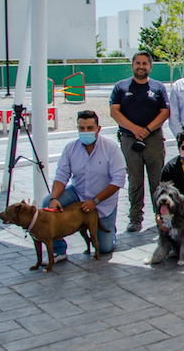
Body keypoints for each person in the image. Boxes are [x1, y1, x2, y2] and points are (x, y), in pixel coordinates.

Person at [42, 110, 126, 261]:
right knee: (47, 202)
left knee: (105, 248)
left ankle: (109, 232)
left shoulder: (111, 148)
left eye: (89, 128)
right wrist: (54, 198)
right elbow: (61, 176)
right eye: (81, 128)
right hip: (78, 194)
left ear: (98, 129)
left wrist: (95, 201)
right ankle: (59, 250)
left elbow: (118, 181)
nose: (85, 132)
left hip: (103, 202)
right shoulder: (70, 148)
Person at [110, 50, 170, 233]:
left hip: (153, 140)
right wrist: (134, 129)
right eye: (138, 63)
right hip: (129, 140)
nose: (141, 67)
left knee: (158, 182)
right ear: (132, 65)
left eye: (145, 64)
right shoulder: (121, 87)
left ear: (150, 67)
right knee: (134, 181)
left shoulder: (158, 87)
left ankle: (161, 217)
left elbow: (165, 112)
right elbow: (114, 111)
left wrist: (147, 129)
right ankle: (135, 218)